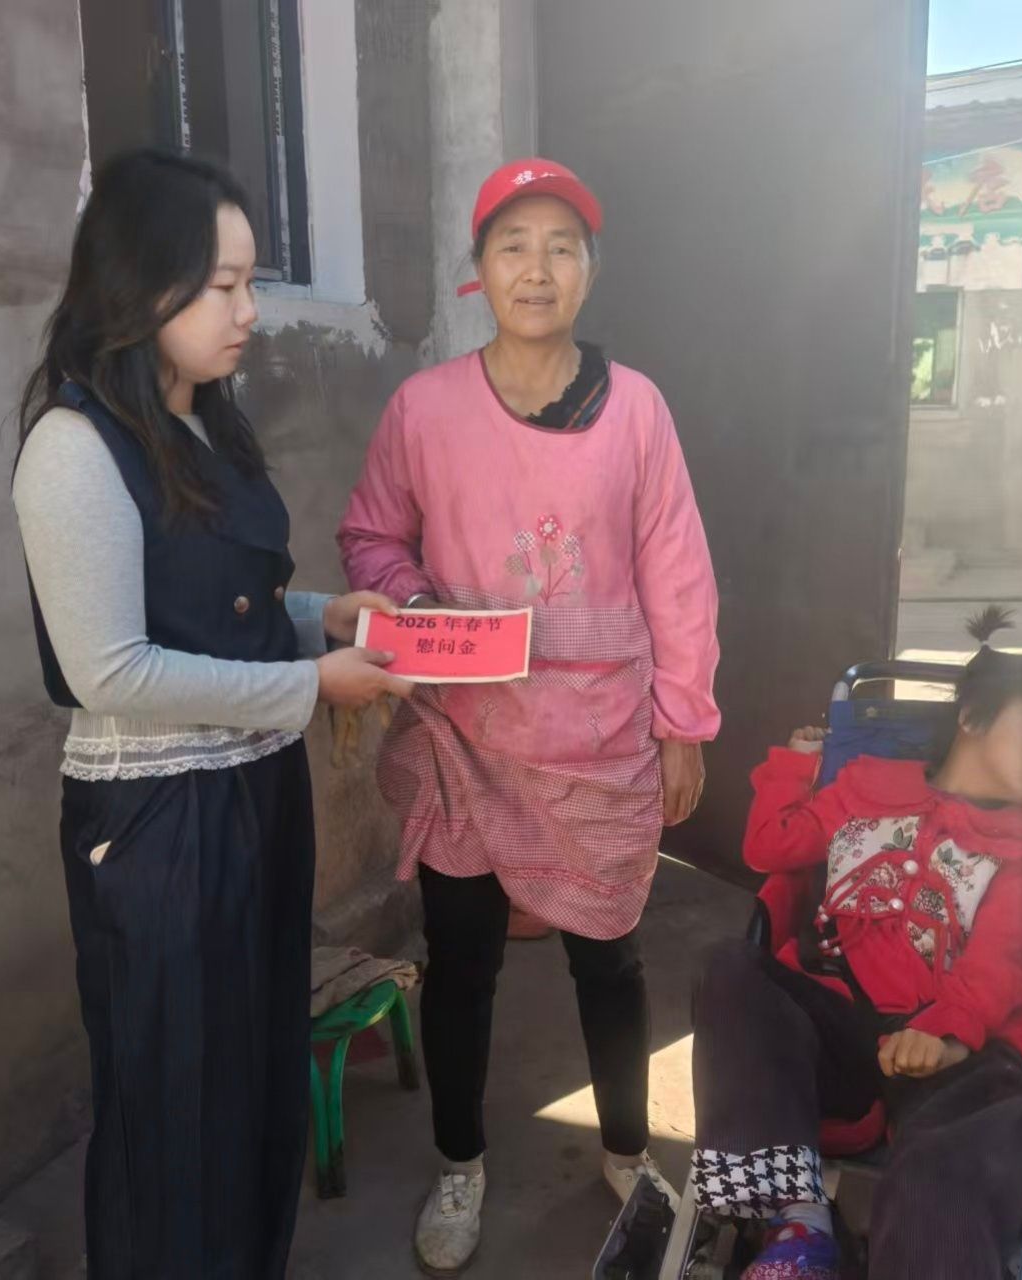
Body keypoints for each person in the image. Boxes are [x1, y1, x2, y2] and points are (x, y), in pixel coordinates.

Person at [11, 148, 411, 1279]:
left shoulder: (201, 425)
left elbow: (221, 601)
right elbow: (113, 670)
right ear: (141, 287)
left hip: (253, 798)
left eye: (250, 282)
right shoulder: (73, 449)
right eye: (223, 285)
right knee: (176, 1106)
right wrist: (312, 686)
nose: (249, 312)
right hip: (159, 833)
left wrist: (325, 617)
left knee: (253, 1083)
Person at [337, 157, 721, 1275]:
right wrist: (417, 610)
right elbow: (370, 536)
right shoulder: (423, 408)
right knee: (461, 961)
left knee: (608, 957)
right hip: (464, 734)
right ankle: (460, 1162)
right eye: (514, 245)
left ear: (591, 269)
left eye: (561, 246)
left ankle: (625, 1148)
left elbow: (677, 573)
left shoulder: (636, 408)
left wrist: (682, 720)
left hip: (600, 739)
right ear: (480, 269)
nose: (537, 268)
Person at [689, 610, 1022, 1280]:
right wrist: (795, 768)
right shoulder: (864, 789)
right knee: (732, 968)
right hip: (840, 1028)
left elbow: (1000, 962)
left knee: (955, 1153)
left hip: (963, 1046)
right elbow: (770, 848)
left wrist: (947, 1036)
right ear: (972, 718)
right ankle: (799, 1224)